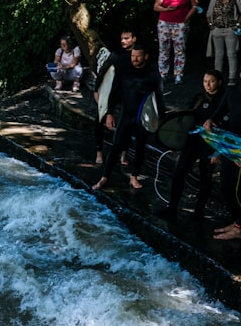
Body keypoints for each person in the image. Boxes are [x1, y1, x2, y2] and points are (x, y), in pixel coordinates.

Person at [93, 44, 164, 191]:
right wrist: (109, 113)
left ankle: (134, 176)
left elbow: (159, 97)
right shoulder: (124, 69)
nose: (134, 59)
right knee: (116, 146)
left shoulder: (152, 73)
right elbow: (114, 91)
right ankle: (104, 177)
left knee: (140, 148)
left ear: (145, 56)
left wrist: (160, 119)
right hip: (126, 115)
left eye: (138, 56)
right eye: (133, 56)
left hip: (143, 116)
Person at [155, 69, 224, 220]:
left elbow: (226, 128)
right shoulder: (200, 98)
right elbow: (187, 120)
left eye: (212, 81)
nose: (208, 85)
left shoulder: (223, 101)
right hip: (193, 141)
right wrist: (176, 141)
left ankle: (198, 212)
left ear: (219, 82)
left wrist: (218, 152)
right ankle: (172, 207)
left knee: (205, 178)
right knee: (179, 172)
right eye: (205, 81)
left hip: (210, 144)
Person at [93, 29, 140, 165]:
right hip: (113, 91)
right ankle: (99, 151)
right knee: (99, 119)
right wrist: (96, 90)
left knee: (128, 123)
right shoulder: (117, 54)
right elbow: (103, 71)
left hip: (129, 92)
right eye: (122, 38)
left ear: (134, 39)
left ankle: (123, 154)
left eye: (126, 38)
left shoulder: (138, 54)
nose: (123, 41)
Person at [203, 82, 241, 239]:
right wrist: (211, 120)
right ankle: (238, 221)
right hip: (230, 145)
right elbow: (220, 112)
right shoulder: (232, 90)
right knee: (227, 187)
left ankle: (239, 228)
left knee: (239, 190)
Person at [152, 0, 198, 86]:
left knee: (179, 50)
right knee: (163, 50)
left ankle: (178, 75)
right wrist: (166, 9)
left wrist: (185, 19)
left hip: (180, 24)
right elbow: (156, 6)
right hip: (164, 23)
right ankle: (163, 75)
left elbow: (194, 6)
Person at [206, 0, 241, 84]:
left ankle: (232, 77)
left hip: (231, 29)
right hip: (217, 29)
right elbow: (209, 13)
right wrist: (210, 25)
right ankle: (218, 77)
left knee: (231, 53)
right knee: (218, 54)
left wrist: (237, 25)